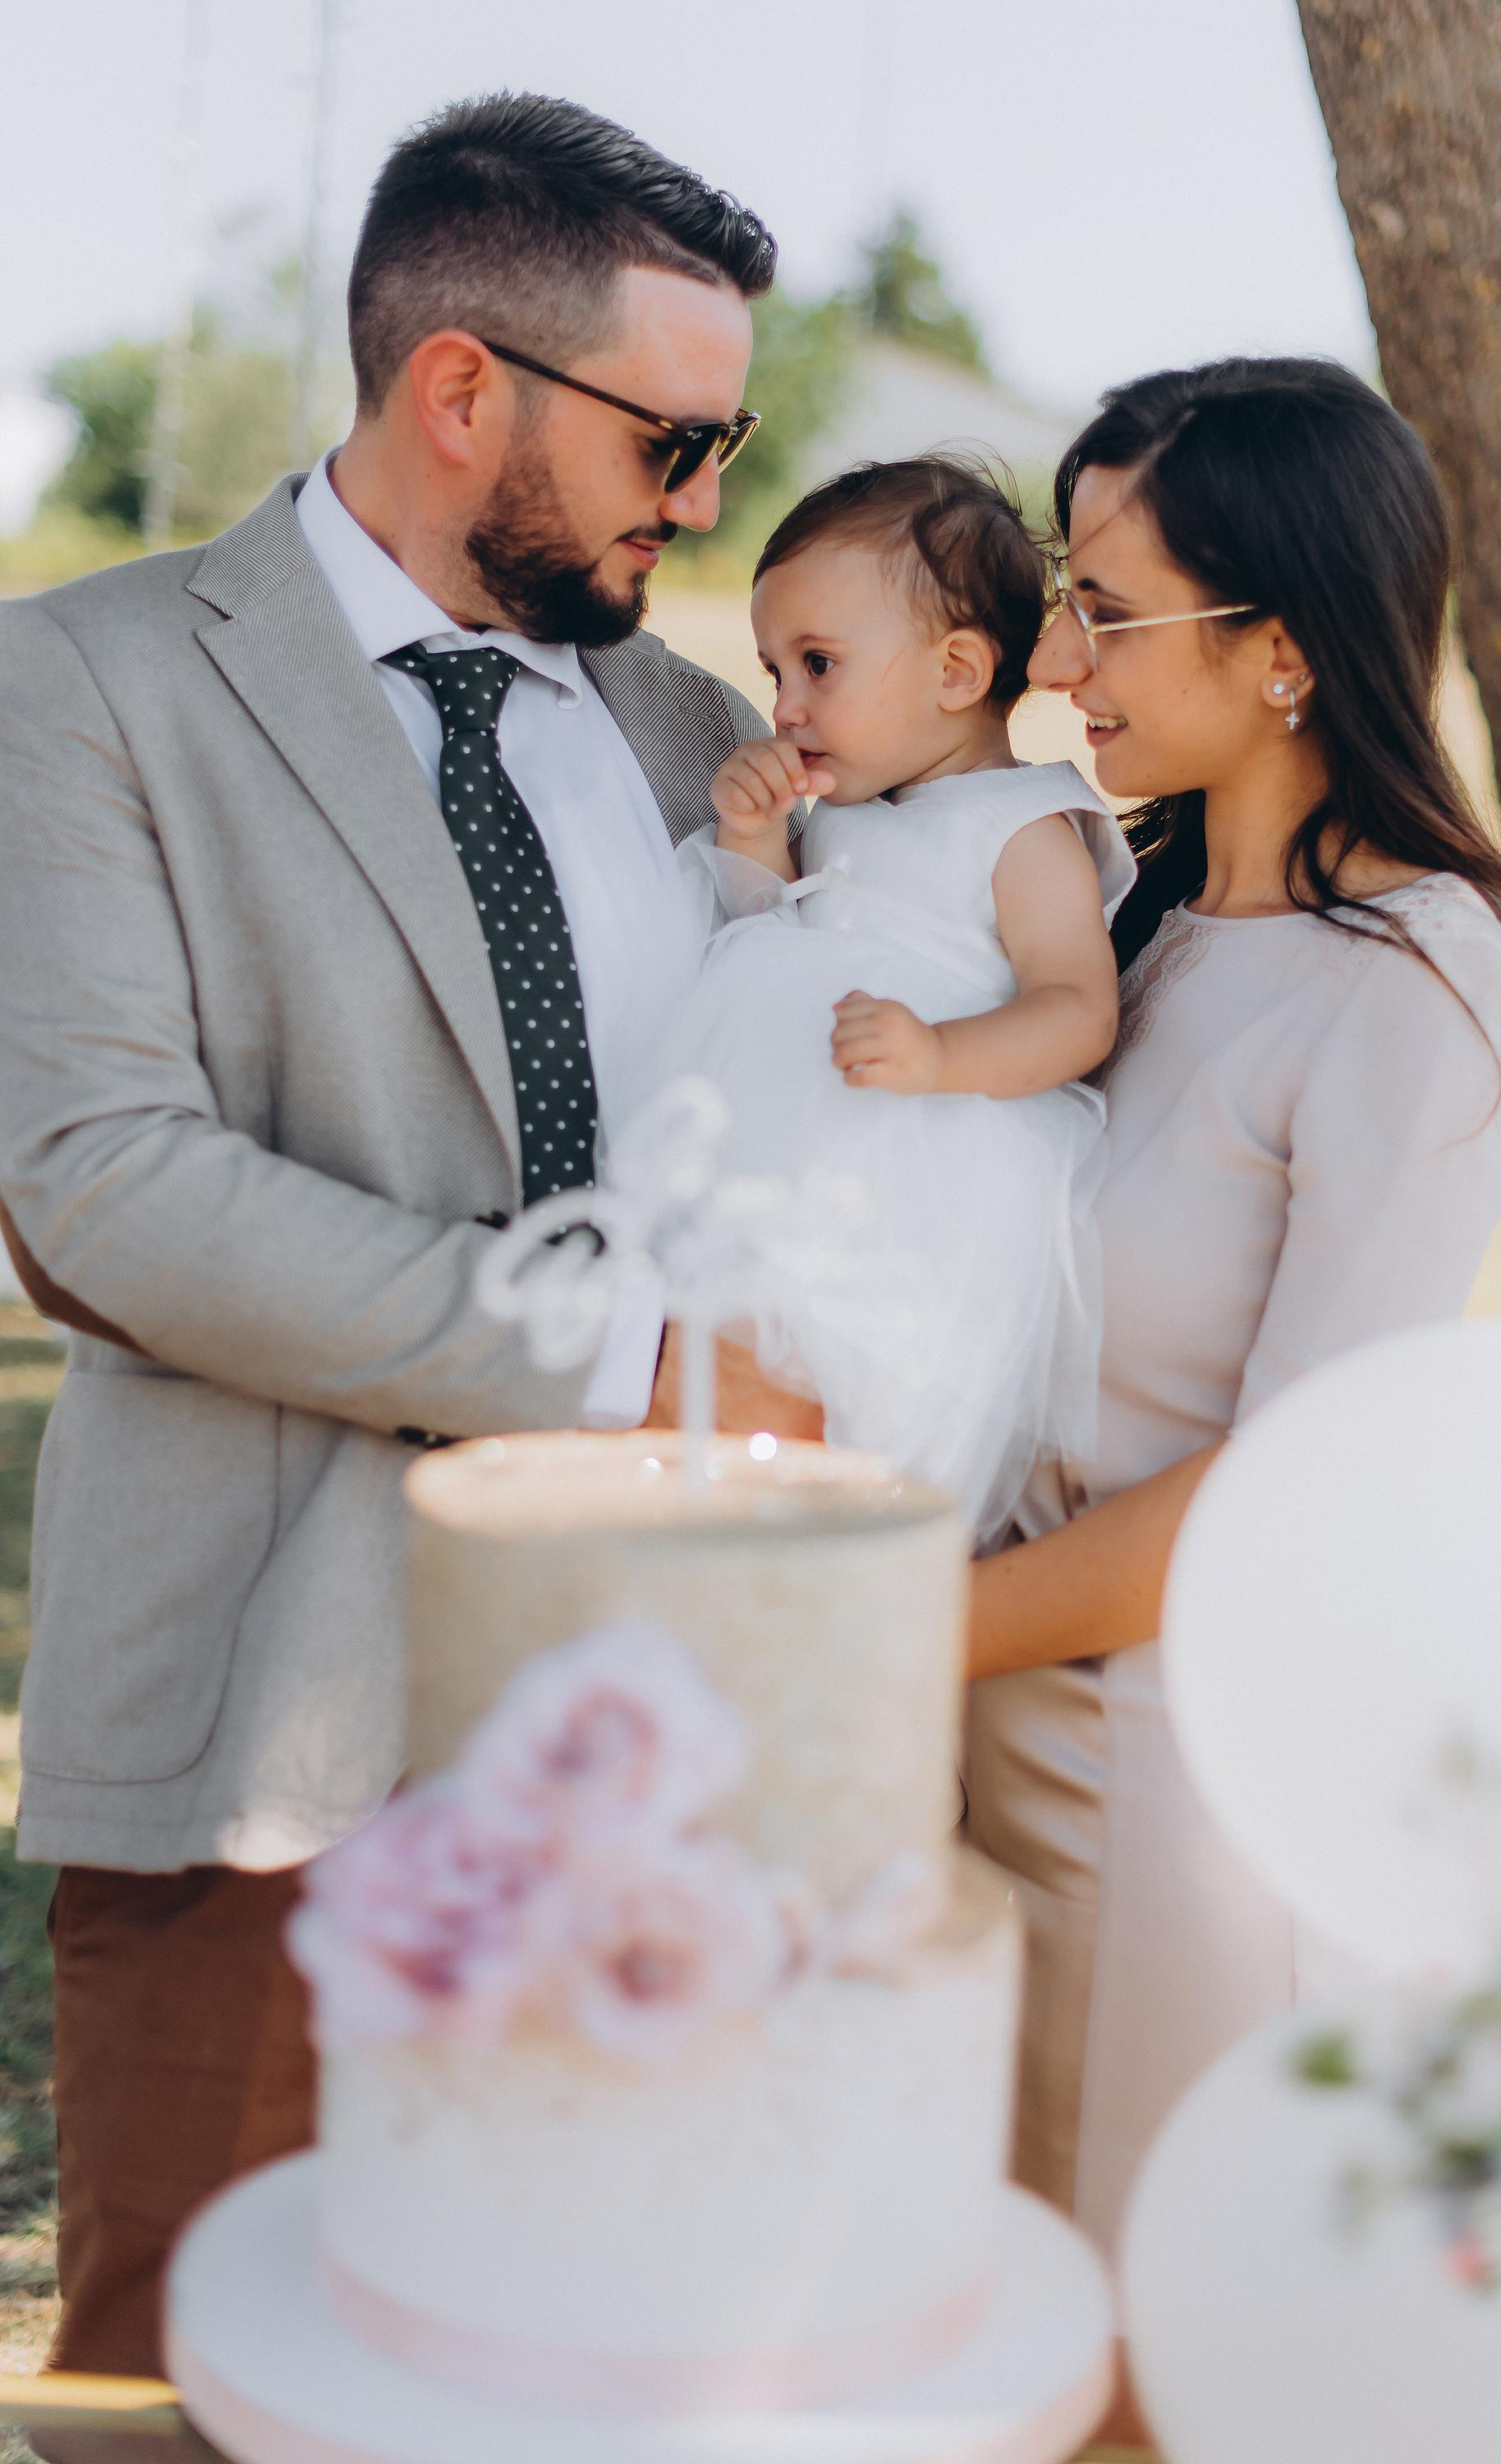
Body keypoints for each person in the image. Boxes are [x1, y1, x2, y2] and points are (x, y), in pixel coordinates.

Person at [0, 92, 814, 2380]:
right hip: (268, 1716)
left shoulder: (706, 737)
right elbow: (105, 1190)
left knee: (608, 2383)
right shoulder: (86, 681)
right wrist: (622, 1365)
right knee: (206, 2385)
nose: (707, 502)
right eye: (674, 441)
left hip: (660, 1751)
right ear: (463, 389)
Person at [962, 356, 1501, 2326]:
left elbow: (1289, 1498)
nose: (1057, 657)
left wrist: (871, 1626)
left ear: (1293, 648)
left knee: (1138, 2359)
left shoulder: (1416, 984)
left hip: (1173, 1811)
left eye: (1111, 609)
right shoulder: (1119, 925)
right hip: (966, 1745)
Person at [641, 457, 1135, 1539]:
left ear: (957, 671)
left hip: (901, 1178)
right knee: (681, 1390)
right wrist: (755, 839)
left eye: (818, 665)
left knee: (810, 1415)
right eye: (777, 670)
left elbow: (1077, 1010)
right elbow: (759, 941)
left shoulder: (1023, 827)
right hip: (764, 1143)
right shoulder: (847, 801)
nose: (785, 705)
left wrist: (943, 1056)